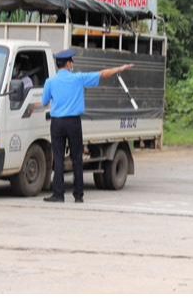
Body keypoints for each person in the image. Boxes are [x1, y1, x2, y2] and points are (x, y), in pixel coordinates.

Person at [41, 50, 134, 203]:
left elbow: (45, 101)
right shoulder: (78, 78)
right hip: (73, 123)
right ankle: (78, 195)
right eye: (72, 62)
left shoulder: (50, 82)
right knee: (77, 157)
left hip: (57, 123)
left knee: (57, 158)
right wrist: (119, 69)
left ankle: (58, 194)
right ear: (69, 63)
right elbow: (102, 74)